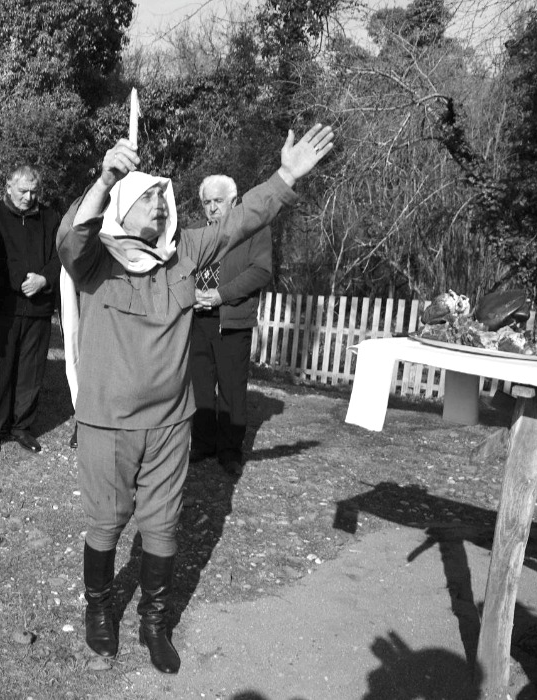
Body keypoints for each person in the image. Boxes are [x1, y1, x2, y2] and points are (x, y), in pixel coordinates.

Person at [58, 125, 334, 674]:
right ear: (121, 207)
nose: (162, 209)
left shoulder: (183, 254)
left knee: (161, 525)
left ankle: (155, 623)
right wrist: (107, 175)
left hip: (169, 426)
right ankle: (100, 611)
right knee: (106, 522)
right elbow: (71, 234)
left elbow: (240, 221)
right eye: (149, 201)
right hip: (107, 424)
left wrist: (285, 177)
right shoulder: (94, 261)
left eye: (164, 200)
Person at [189, 175, 272, 479]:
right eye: (207, 202)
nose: (212, 208)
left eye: (218, 201)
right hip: (197, 319)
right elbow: (182, 268)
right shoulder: (197, 233)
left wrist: (221, 295)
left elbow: (261, 271)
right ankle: (203, 442)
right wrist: (190, 294)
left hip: (232, 319)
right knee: (199, 385)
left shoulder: (254, 230)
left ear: (234, 201)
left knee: (232, 390)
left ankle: (229, 451)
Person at [0, 165, 61, 457]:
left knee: (31, 370)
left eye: (34, 191)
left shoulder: (50, 218)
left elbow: (59, 256)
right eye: (24, 191)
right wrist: (19, 281)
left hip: (38, 307)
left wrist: (44, 280)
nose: (29, 197)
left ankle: (22, 426)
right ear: (9, 188)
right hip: (4, 307)